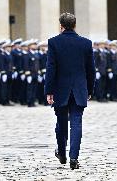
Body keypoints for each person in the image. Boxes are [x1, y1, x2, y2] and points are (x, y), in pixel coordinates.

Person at [45, 13, 95, 170]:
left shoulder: (54, 42)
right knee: (76, 122)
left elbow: (51, 68)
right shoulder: (86, 43)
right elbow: (91, 70)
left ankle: (61, 153)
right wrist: (90, 89)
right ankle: (74, 157)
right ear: (74, 25)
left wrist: (49, 90)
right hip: (79, 89)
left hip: (60, 89)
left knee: (61, 123)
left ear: (61, 26)